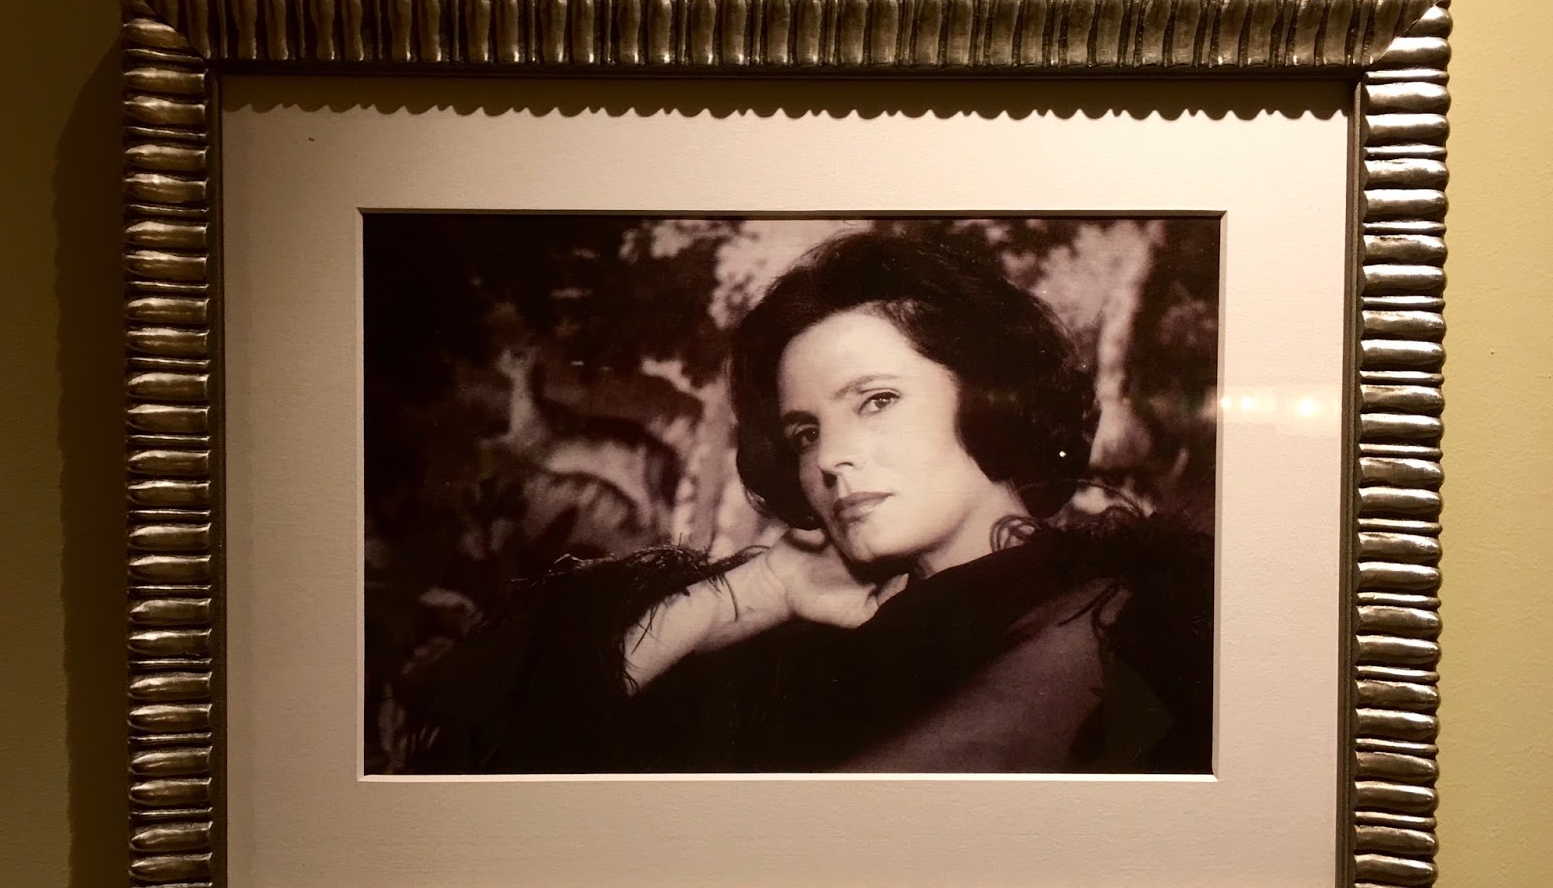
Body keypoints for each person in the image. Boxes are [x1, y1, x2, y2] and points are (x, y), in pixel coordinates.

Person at [409, 232, 1212, 774]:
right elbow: (501, 783)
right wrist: (733, 597)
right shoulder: (795, 636)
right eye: (804, 432)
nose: (828, 459)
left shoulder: (1108, 615)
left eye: (875, 401)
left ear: (989, 399)